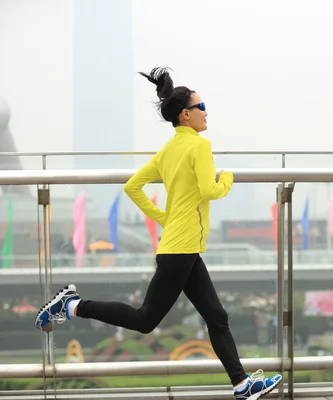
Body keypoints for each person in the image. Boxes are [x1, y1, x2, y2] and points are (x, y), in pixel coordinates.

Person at [34, 67, 282, 400]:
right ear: (185, 114)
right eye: (201, 106)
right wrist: (229, 179)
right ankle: (73, 305)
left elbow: (133, 186)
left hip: (182, 245)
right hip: (180, 249)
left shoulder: (167, 151)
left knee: (217, 316)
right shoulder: (199, 146)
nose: (206, 112)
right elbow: (210, 189)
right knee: (145, 320)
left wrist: (164, 217)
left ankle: (241, 385)